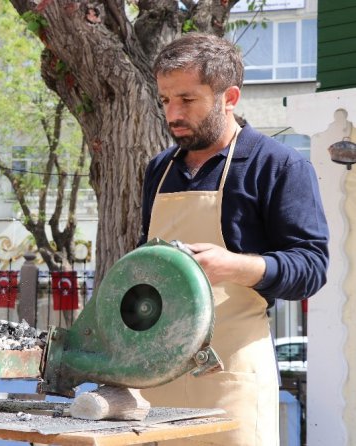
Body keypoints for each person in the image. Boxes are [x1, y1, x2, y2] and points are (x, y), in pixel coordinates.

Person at [138, 33, 329, 446]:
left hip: (231, 379)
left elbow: (312, 266)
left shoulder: (278, 165)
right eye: (165, 100)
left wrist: (237, 266)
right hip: (155, 380)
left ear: (230, 97)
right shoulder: (158, 169)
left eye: (187, 100)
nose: (172, 114)